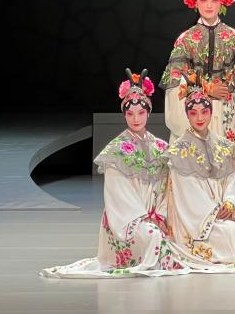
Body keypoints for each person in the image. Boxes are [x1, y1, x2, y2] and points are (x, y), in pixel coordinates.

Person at [42, 70, 185, 277]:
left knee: (176, 239)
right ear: (124, 115)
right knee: (153, 236)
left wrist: (160, 215)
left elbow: (166, 189)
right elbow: (118, 196)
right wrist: (144, 218)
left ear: (148, 113)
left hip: (155, 216)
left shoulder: (161, 147)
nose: (136, 119)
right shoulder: (116, 150)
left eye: (141, 113)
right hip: (128, 220)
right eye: (130, 114)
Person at [165, 72, 235, 270]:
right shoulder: (179, 150)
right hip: (195, 221)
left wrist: (229, 202)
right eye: (193, 113)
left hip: (219, 212)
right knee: (227, 234)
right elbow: (186, 195)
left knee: (232, 231)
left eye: (204, 111)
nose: (199, 118)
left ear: (211, 112)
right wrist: (213, 212)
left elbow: (230, 180)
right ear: (187, 114)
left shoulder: (223, 146)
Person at [161, 0, 235, 142]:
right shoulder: (186, 39)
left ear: (222, 2)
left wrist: (224, 90)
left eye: (214, 0)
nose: (209, 5)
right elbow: (176, 81)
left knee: (223, 155)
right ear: (195, 2)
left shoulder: (234, 38)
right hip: (195, 110)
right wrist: (207, 90)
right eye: (203, 0)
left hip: (224, 110)